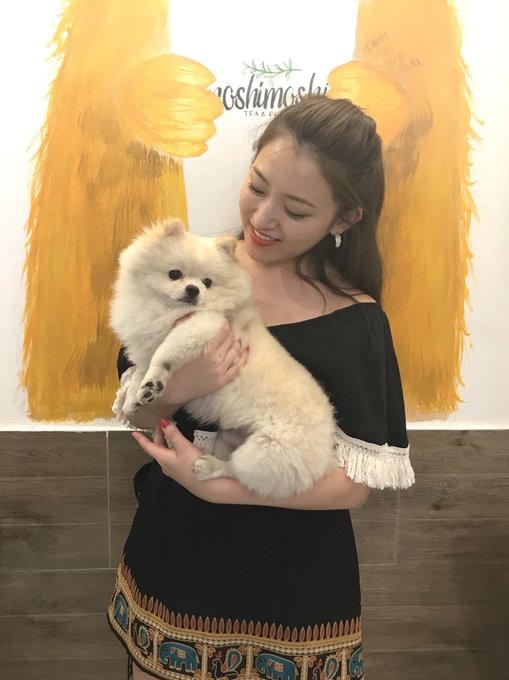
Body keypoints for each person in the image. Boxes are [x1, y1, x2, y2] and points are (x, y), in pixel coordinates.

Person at [107, 94, 415, 680]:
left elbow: (354, 484)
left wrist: (220, 488)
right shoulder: (187, 272)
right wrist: (178, 388)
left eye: (296, 210)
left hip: (293, 586)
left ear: (344, 219)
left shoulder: (355, 321)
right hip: (175, 557)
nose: (264, 218)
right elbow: (140, 417)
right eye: (257, 186)